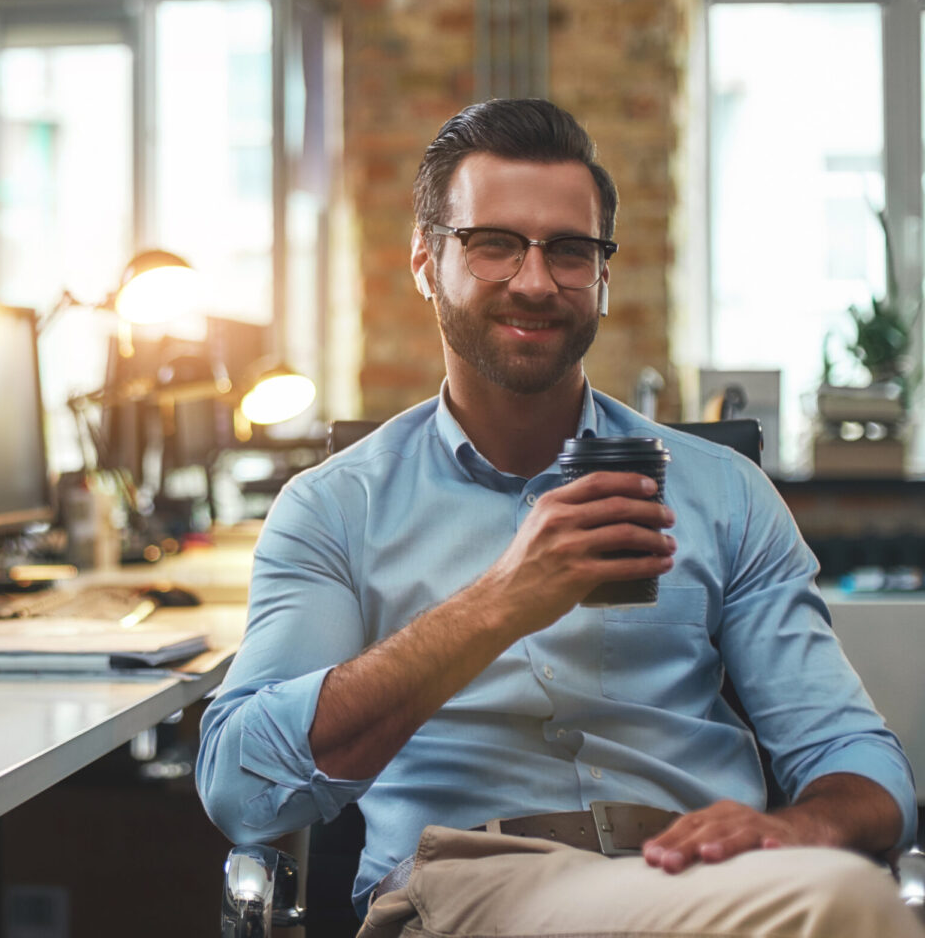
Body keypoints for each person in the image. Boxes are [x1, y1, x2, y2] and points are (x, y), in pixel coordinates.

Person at [197, 98, 922, 937]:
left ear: (603, 277)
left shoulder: (723, 493)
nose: (536, 281)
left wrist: (797, 828)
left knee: (835, 894)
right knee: (848, 908)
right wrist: (503, 598)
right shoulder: (334, 509)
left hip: (713, 886)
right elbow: (242, 792)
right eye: (493, 244)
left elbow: (858, 759)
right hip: (471, 886)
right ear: (428, 262)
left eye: (570, 251)